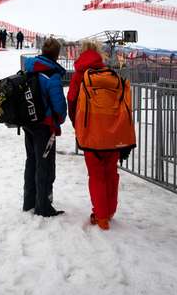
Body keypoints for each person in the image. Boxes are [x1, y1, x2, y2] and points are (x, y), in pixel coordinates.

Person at [68, 41, 129, 230]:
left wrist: (76, 124)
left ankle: (101, 217)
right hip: (112, 131)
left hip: (90, 131)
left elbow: (71, 99)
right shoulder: (109, 74)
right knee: (111, 172)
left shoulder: (80, 74)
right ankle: (110, 211)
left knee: (96, 175)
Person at [22, 37, 67, 217]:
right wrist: (59, 119)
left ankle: (29, 201)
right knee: (45, 164)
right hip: (45, 126)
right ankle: (43, 205)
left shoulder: (30, 68)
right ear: (56, 55)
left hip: (29, 123)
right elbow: (59, 106)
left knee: (31, 160)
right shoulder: (52, 75)